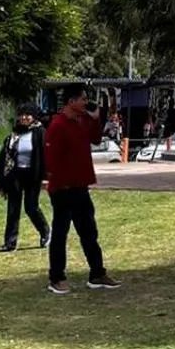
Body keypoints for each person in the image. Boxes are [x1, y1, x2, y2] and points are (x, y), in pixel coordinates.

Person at [44, 85, 118, 294]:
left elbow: (95, 139)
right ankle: (56, 277)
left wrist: (95, 118)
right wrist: (57, 183)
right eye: (83, 99)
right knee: (60, 234)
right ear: (71, 101)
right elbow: (51, 159)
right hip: (63, 189)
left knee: (89, 232)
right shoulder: (58, 125)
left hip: (81, 187)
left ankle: (97, 274)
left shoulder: (83, 120)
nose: (86, 103)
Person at [0, 104, 49, 252]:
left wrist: (47, 176)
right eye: (22, 114)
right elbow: (3, 158)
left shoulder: (40, 132)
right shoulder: (14, 134)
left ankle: (45, 231)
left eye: (27, 114)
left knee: (31, 207)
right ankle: (10, 243)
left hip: (32, 175)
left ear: (34, 116)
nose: (24, 117)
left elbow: (46, 155)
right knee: (13, 209)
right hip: (15, 175)